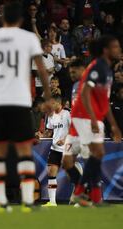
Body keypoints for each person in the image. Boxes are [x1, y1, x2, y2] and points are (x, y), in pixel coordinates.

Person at [0, 2, 51, 213]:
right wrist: (48, 96)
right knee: (24, 151)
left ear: (2, 18)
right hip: (19, 101)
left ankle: (0, 202)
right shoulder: (28, 38)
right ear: (20, 20)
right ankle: (27, 202)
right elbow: (42, 70)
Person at [71, 35, 122, 206]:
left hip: (94, 116)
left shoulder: (108, 70)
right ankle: (81, 193)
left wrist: (114, 126)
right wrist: (93, 119)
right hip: (84, 115)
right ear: (106, 50)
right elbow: (85, 93)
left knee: (97, 156)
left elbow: (104, 102)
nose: (119, 50)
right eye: (115, 47)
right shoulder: (97, 66)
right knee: (97, 153)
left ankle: (94, 197)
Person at [61, 58, 88, 204]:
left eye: (73, 71)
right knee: (66, 162)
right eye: (70, 72)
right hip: (75, 129)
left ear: (82, 69)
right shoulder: (76, 85)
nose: (71, 74)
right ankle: (81, 191)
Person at [41, 95, 70, 207]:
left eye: (53, 104)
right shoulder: (51, 116)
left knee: (71, 174)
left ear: (59, 103)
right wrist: (42, 136)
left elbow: (75, 129)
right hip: (55, 148)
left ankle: (82, 197)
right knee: (51, 172)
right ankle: (52, 202)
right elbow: (49, 131)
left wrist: (65, 139)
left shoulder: (67, 113)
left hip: (68, 148)